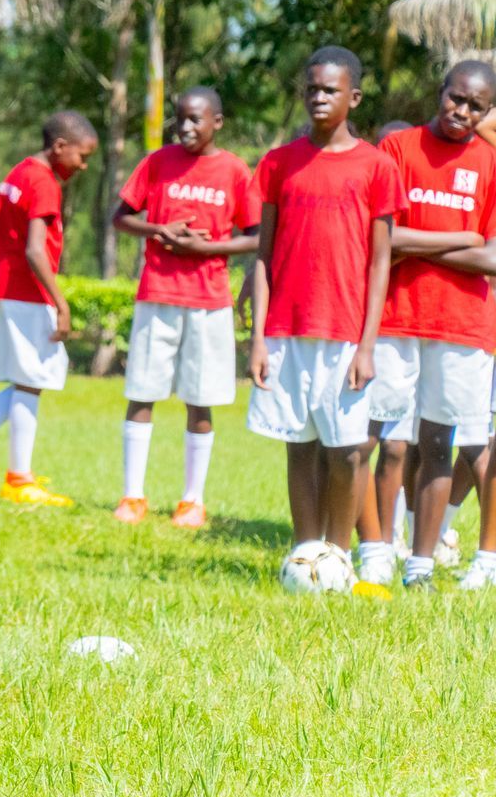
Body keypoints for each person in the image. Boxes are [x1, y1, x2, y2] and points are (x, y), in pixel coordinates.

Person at [244, 47, 401, 587]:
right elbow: (262, 256)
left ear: (353, 97)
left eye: (330, 90)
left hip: (344, 333)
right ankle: (303, 554)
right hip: (286, 330)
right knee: (300, 444)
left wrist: (367, 345)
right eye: (311, 88)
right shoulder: (277, 163)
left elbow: (381, 262)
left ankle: (337, 557)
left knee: (347, 452)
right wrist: (258, 338)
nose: (318, 97)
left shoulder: (376, 166)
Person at [350, 64, 496, 589]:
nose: (462, 112)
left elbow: (494, 257)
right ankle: (373, 551)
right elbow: (383, 239)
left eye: (476, 107)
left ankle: (421, 565)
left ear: (486, 112)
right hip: (394, 318)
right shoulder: (398, 150)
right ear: (441, 93)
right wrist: (463, 238)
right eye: (456, 99)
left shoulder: (491, 162)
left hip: (462, 326)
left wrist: (421, 242)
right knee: (373, 439)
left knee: (439, 443)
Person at [108, 87, 259, 527]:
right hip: (157, 293)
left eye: (196, 119)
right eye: (181, 120)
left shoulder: (233, 169)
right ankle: (132, 496)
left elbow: (255, 235)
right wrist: (157, 229)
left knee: (201, 399)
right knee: (141, 393)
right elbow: (120, 217)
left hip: (209, 300)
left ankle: (192, 500)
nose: (187, 128)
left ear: (218, 122)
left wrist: (206, 248)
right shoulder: (158, 162)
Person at [0, 111, 98, 507]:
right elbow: (34, 248)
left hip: (5, 288)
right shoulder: (44, 183)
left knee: (28, 379)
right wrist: (60, 301)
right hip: (27, 293)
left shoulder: (21, 172)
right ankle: (16, 479)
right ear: (60, 147)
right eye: (82, 155)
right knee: (31, 380)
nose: (84, 165)